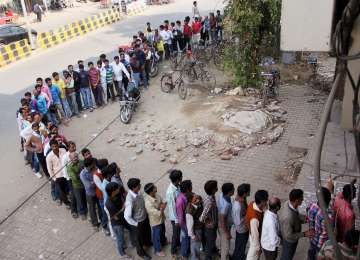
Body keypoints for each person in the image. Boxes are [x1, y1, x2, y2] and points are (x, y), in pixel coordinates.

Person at [279, 189, 314, 260]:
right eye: (301, 198)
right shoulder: (288, 217)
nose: (303, 199)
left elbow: (296, 215)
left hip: (293, 236)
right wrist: (304, 234)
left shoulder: (289, 203)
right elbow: (289, 235)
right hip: (289, 241)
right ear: (296, 200)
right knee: (287, 256)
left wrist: (305, 218)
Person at [124, 178, 152, 260]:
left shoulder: (138, 192)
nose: (140, 186)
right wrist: (136, 224)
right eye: (138, 185)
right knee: (138, 239)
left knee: (147, 231)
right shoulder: (129, 200)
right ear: (133, 188)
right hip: (138, 222)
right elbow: (127, 216)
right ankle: (141, 253)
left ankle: (148, 243)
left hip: (144, 217)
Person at [105, 182, 132, 259]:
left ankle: (132, 243)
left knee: (131, 229)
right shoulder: (109, 203)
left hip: (122, 218)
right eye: (117, 188)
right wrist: (124, 208)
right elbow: (117, 216)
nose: (118, 189)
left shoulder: (117, 194)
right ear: (113, 191)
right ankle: (122, 253)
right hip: (117, 223)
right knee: (120, 239)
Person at [307, 187, 333, 260]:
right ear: (328, 199)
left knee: (311, 255)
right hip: (321, 243)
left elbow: (310, 221)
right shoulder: (328, 216)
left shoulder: (312, 206)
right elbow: (327, 233)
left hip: (312, 239)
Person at [144, 183, 167, 257]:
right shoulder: (148, 203)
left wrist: (161, 207)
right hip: (155, 222)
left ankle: (163, 242)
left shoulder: (156, 195)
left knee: (163, 231)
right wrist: (161, 207)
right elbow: (157, 213)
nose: (156, 187)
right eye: (154, 187)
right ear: (151, 191)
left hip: (161, 219)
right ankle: (158, 250)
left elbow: (164, 201)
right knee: (156, 236)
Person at [80, 157, 103, 231]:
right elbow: (88, 186)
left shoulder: (95, 168)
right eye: (93, 164)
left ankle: (102, 220)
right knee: (92, 209)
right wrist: (96, 180)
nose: (94, 164)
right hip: (90, 194)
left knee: (100, 207)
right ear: (89, 165)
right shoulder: (83, 174)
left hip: (98, 192)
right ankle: (95, 224)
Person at [245, 189, 269, 260]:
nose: (267, 202)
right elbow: (255, 235)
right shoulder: (254, 219)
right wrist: (258, 248)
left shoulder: (252, 203)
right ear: (262, 201)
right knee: (252, 256)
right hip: (255, 239)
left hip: (252, 233)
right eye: (266, 200)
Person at [46, 139, 70, 207]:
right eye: (53, 147)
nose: (55, 148)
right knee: (61, 190)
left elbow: (67, 160)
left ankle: (66, 196)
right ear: (51, 147)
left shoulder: (63, 150)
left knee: (66, 188)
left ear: (58, 145)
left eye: (56, 146)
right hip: (58, 176)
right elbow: (49, 169)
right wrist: (54, 178)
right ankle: (67, 203)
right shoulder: (49, 157)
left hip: (66, 173)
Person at [199, 180, 218, 260]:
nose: (217, 188)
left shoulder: (209, 197)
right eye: (216, 187)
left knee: (210, 241)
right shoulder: (209, 202)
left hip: (212, 223)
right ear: (213, 190)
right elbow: (202, 217)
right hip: (210, 227)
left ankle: (212, 251)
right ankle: (207, 257)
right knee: (209, 243)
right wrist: (208, 223)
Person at [166, 169, 183, 258]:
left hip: (179, 214)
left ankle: (178, 244)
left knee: (178, 233)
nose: (182, 179)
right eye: (181, 177)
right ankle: (173, 251)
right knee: (176, 234)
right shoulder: (171, 192)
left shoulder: (177, 186)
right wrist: (177, 220)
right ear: (177, 179)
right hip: (175, 218)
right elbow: (172, 208)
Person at [232, 183, 251, 260]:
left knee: (239, 245)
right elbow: (238, 221)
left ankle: (238, 256)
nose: (250, 192)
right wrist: (247, 215)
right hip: (241, 229)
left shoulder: (242, 200)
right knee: (241, 245)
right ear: (244, 194)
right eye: (248, 191)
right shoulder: (238, 207)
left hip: (243, 228)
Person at [67, 151, 87, 220]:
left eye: (76, 156)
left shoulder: (82, 162)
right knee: (79, 200)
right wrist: (82, 173)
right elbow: (74, 178)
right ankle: (82, 213)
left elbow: (86, 170)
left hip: (84, 184)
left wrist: (79, 173)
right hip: (77, 186)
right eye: (73, 157)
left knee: (85, 198)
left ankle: (86, 209)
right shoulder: (69, 167)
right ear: (70, 159)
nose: (75, 158)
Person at [176, 180, 193, 259]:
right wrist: (186, 228)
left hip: (188, 223)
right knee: (185, 239)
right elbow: (180, 219)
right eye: (191, 187)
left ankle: (187, 252)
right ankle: (184, 255)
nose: (192, 188)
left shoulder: (186, 196)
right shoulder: (180, 201)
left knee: (187, 239)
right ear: (187, 190)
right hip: (184, 225)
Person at [218, 183, 235, 260]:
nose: (234, 189)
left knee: (223, 242)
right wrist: (227, 233)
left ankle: (223, 253)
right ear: (229, 192)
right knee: (226, 247)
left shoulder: (222, 195)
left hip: (222, 224)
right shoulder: (226, 205)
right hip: (224, 226)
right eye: (233, 189)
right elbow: (222, 219)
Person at [186, 193, 203, 260]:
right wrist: (193, 236)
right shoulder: (189, 211)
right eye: (195, 199)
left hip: (199, 227)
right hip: (196, 230)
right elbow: (189, 225)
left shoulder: (197, 204)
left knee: (197, 245)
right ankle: (195, 258)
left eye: (198, 198)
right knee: (195, 246)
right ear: (191, 201)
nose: (198, 200)